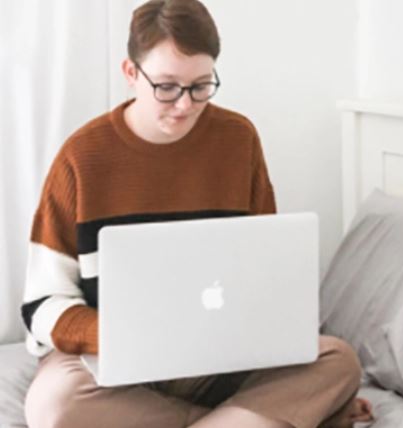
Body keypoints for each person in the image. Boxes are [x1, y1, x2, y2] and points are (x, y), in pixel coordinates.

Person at [20, 1, 373, 426]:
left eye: (201, 86)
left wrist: (249, 327)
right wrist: (113, 336)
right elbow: (42, 304)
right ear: (131, 74)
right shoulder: (82, 157)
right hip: (115, 368)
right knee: (52, 405)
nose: (185, 105)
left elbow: (266, 266)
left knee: (339, 361)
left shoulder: (238, 140)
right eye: (167, 87)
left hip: (217, 358)